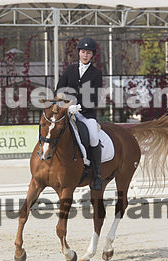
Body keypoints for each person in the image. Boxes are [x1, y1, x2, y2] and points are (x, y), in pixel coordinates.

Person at [56, 37, 103, 190]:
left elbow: (96, 98)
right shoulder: (70, 69)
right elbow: (59, 89)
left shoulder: (96, 74)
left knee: (94, 137)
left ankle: (96, 175)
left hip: (86, 113)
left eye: (88, 53)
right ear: (79, 53)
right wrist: (66, 104)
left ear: (92, 55)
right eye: (83, 52)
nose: (85, 55)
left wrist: (79, 107)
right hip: (68, 111)